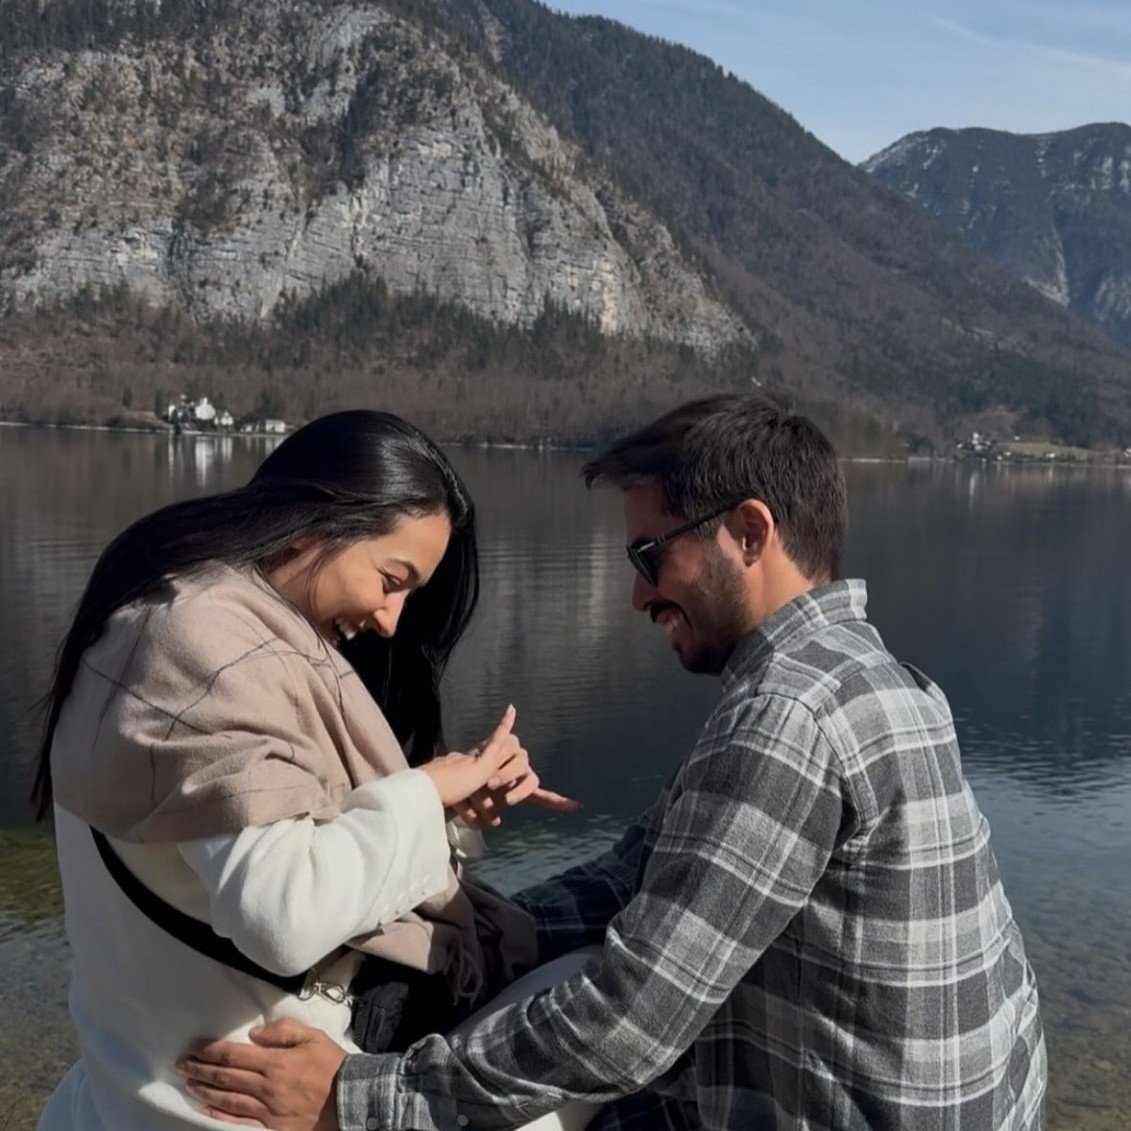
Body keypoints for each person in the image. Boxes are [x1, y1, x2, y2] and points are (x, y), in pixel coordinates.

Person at [178, 395, 1047, 1130]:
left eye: (649, 555)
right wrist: (472, 934)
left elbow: (632, 1017)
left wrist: (359, 1099)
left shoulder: (788, 719)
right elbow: (645, 869)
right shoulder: (873, 678)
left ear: (750, 532)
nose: (637, 593)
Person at [34, 410, 581, 1131]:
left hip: (128, 1088)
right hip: (237, 1104)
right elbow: (284, 915)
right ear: (315, 524)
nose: (391, 618)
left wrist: (446, 808)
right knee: (593, 1004)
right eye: (391, 579)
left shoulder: (166, 617)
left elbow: (250, 833)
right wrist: (427, 790)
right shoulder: (209, 647)